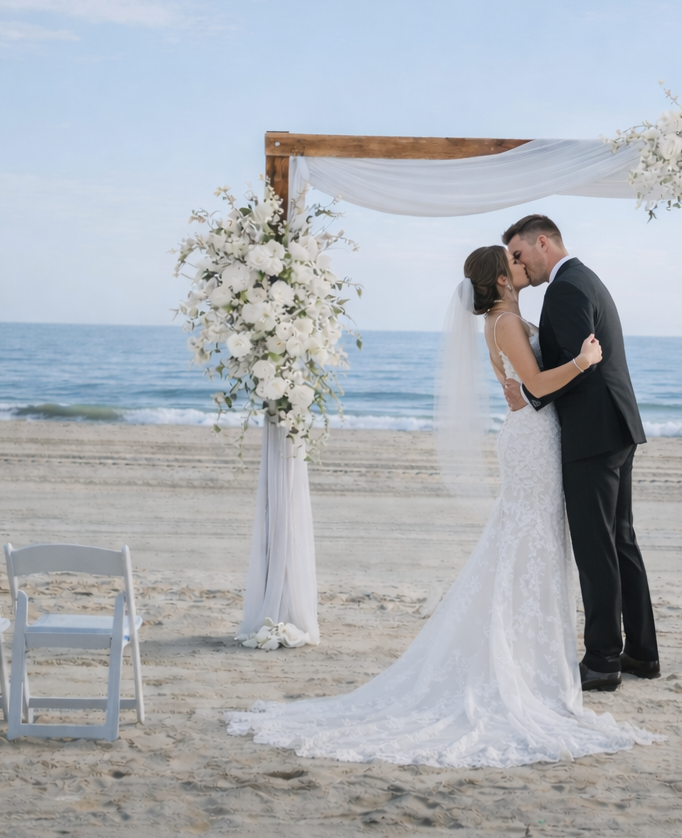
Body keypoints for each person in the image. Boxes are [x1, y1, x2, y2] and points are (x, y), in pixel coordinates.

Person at [225, 245, 656, 767]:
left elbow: (522, 383)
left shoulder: (508, 319)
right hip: (534, 440)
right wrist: (584, 361)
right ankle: (518, 656)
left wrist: (519, 380)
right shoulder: (506, 322)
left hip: (535, 435)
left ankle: (529, 650)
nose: (524, 266)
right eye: (514, 262)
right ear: (501, 279)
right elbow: (539, 385)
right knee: (527, 538)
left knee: (531, 539)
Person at [502, 215, 659, 693]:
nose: (515, 265)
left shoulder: (567, 288)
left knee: (597, 550)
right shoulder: (582, 277)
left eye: (517, 254)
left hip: (593, 433)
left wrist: (530, 395)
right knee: (620, 542)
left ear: (542, 242)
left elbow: (577, 368)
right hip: (616, 426)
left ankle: (603, 661)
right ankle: (642, 654)